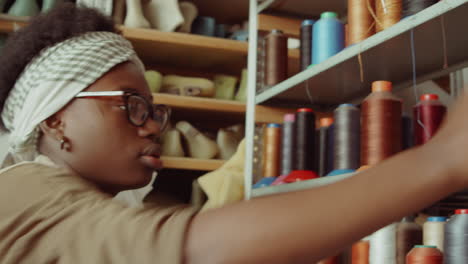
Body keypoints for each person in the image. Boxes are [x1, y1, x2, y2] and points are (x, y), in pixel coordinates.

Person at [0, 3, 467, 264]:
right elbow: (203, 249)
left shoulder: (85, 208)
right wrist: (440, 160)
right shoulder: (25, 190)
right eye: (131, 106)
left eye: (153, 111)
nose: (153, 127)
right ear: (55, 119)